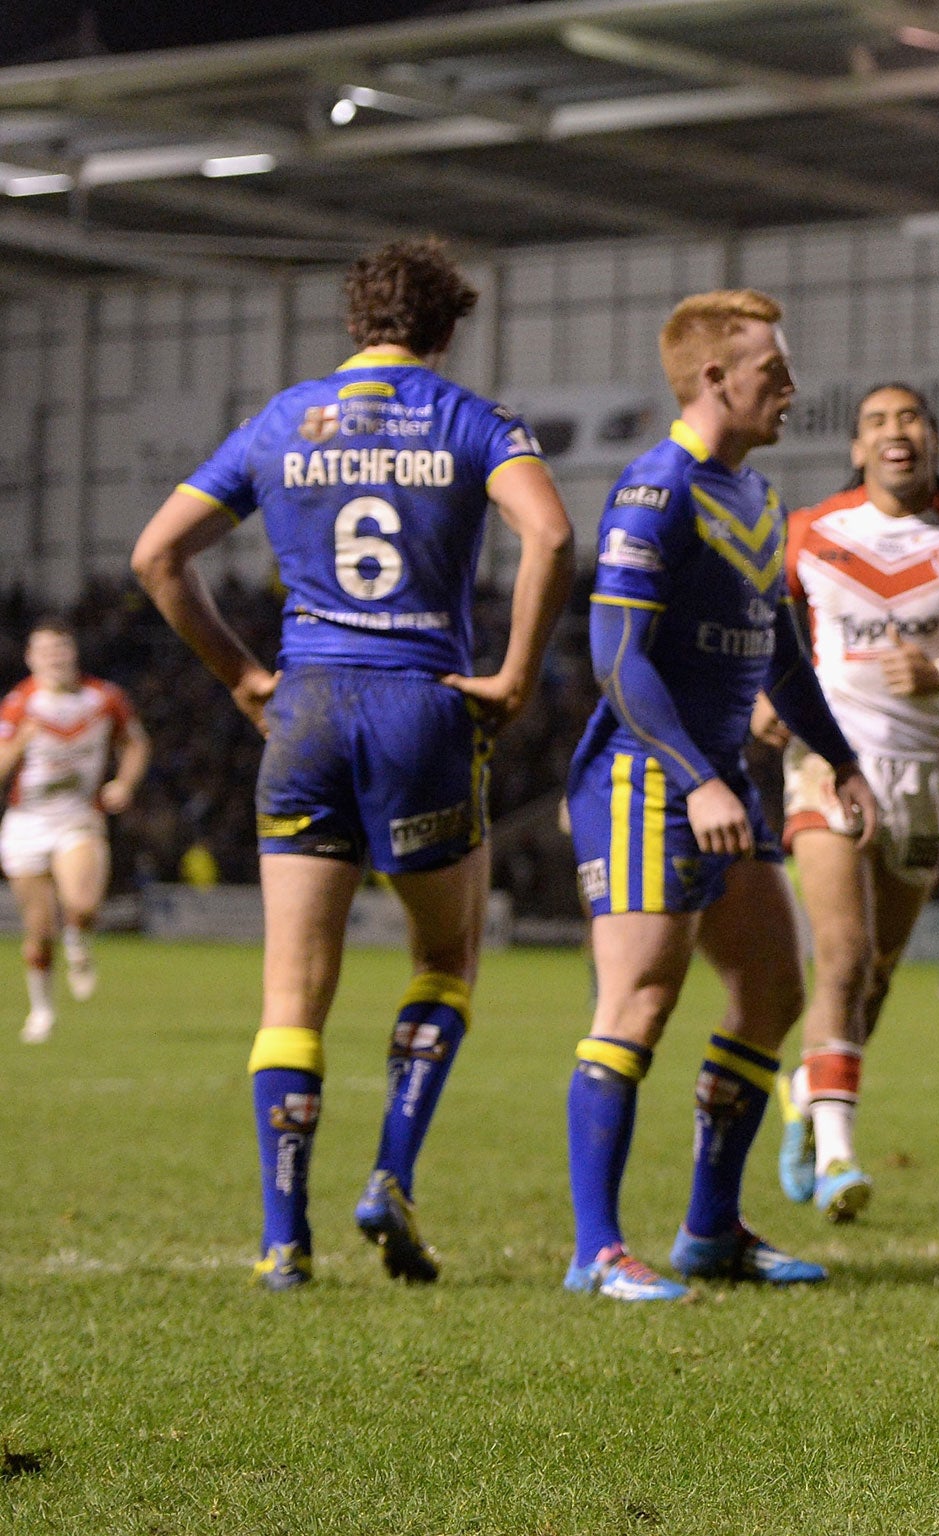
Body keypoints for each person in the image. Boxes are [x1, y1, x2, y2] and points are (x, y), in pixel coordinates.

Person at [132, 238, 575, 1290]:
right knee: (444, 962)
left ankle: (284, 1241)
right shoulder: (470, 420)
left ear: (353, 322)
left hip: (309, 709)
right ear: (446, 327)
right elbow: (551, 538)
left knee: (291, 994)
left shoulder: (280, 422)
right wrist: (512, 676)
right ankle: (390, 1175)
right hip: (421, 707)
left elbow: (157, 557)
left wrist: (242, 677)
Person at [560, 289, 881, 1303]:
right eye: (771, 373)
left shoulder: (751, 496)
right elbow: (615, 653)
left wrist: (836, 756)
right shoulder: (654, 489)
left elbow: (780, 653)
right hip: (643, 780)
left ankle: (708, 1230)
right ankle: (596, 1250)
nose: (788, 390)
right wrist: (697, 776)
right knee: (640, 998)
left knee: (772, 993)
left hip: (717, 784)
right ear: (713, 379)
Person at [766, 384, 939, 1222]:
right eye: (878, 422)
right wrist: (769, 696)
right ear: (857, 448)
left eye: (911, 418)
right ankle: (841, 1160)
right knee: (844, 956)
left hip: (925, 774)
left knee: (879, 973)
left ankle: (810, 1098)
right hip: (830, 764)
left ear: (932, 437)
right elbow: (766, 628)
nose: (896, 432)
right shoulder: (810, 533)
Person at [0, 618, 149, 1043]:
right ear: (30, 658)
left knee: (81, 903)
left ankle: (79, 939)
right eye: (45, 650)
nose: (55, 657)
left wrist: (124, 783)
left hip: (77, 817)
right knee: (39, 928)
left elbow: (136, 743)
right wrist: (20, 745)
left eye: (61, 648)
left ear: (74, 653)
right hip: (26, 822)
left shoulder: (104, 698)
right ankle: (42, 1011)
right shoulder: (18, 704)